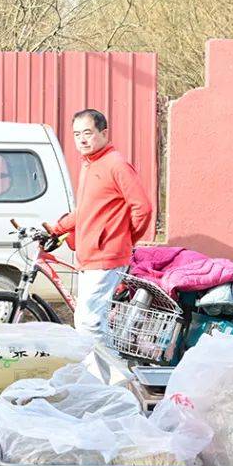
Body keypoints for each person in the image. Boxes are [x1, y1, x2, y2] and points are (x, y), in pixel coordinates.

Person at [49, 109, 153, 337]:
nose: (82, 139)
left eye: (88, 132)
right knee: (86, 320)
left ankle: (114, 374)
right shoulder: (90, 165)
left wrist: (124, 238)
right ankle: (96, 372)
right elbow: (86, 210)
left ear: (104, 133)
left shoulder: (116, 165)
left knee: (90, 324)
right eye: (77, 134)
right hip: (90, 256)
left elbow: (143, 208)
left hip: (106, 256)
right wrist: (57, 229)